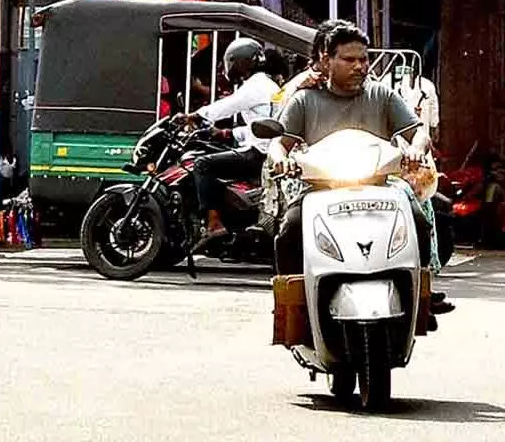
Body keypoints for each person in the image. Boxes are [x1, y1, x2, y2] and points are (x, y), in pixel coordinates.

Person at [270, 24, 446, 311]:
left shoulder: (382, 95)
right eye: (349, 60)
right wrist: (280, 157)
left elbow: (419, 133)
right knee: (290, 228)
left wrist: (416, 148)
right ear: (327, 60)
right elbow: (280, 144)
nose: (359, 66)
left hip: (380, 187)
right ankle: (292, 307)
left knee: (419, 221)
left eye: (363, 60)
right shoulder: (305, 99)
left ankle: (421, 301)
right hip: (321, 190)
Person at [187, 38, 279, 252]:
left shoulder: (256, 85)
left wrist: (194, 116)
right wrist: (226, 133)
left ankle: (213, 224)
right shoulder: (267, 84)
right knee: (216, 157)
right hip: (263, 148)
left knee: (202, 164)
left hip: (259, 154)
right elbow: (257, 127)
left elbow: (227, 106)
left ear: (240, 62)